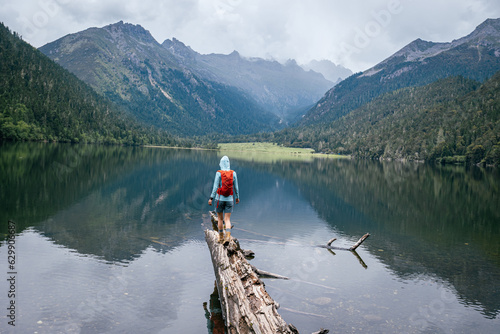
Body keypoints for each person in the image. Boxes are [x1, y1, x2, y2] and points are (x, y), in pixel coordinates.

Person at [208, 156, 240, 244]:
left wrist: (211, 198)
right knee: (227, 219)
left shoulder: (219, 173)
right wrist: (237, 197)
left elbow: (215, 188)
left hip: (219, 199)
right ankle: (228, 237)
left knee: (220, 219)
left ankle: (221, 238)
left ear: (221, 164)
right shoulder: (233, 173)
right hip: (230, 200)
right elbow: (236, 187)